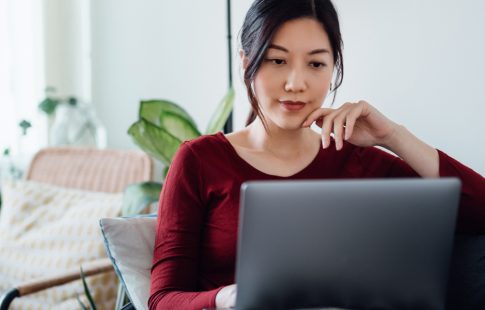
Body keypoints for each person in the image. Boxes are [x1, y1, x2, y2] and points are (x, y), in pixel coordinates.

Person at [148, 0, 485, 309]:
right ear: (246, 61)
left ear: (333, 67)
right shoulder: (199, 160)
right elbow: (162, 299)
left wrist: (392, 135)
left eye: (316, 63)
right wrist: (225, 297)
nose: (296, 83)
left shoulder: (357, 159)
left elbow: (480, 212)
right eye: (278, 60)